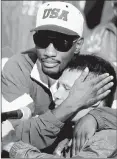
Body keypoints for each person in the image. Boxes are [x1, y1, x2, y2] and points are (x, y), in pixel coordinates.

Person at [2, 0, 114, 155]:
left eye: (62, 43)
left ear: (79, 45)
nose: (49, 52)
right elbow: (11, 135)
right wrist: (71, 103)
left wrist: (96, 117)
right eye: (42, 40)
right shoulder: (17, 68)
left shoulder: (90, 70)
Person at [2, 55, 117, 158]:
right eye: (58, 87)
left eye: (67, 88)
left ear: (95, 98)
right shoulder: (65, 132)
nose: (56, 95)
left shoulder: (107, 137)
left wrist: (14, 147)